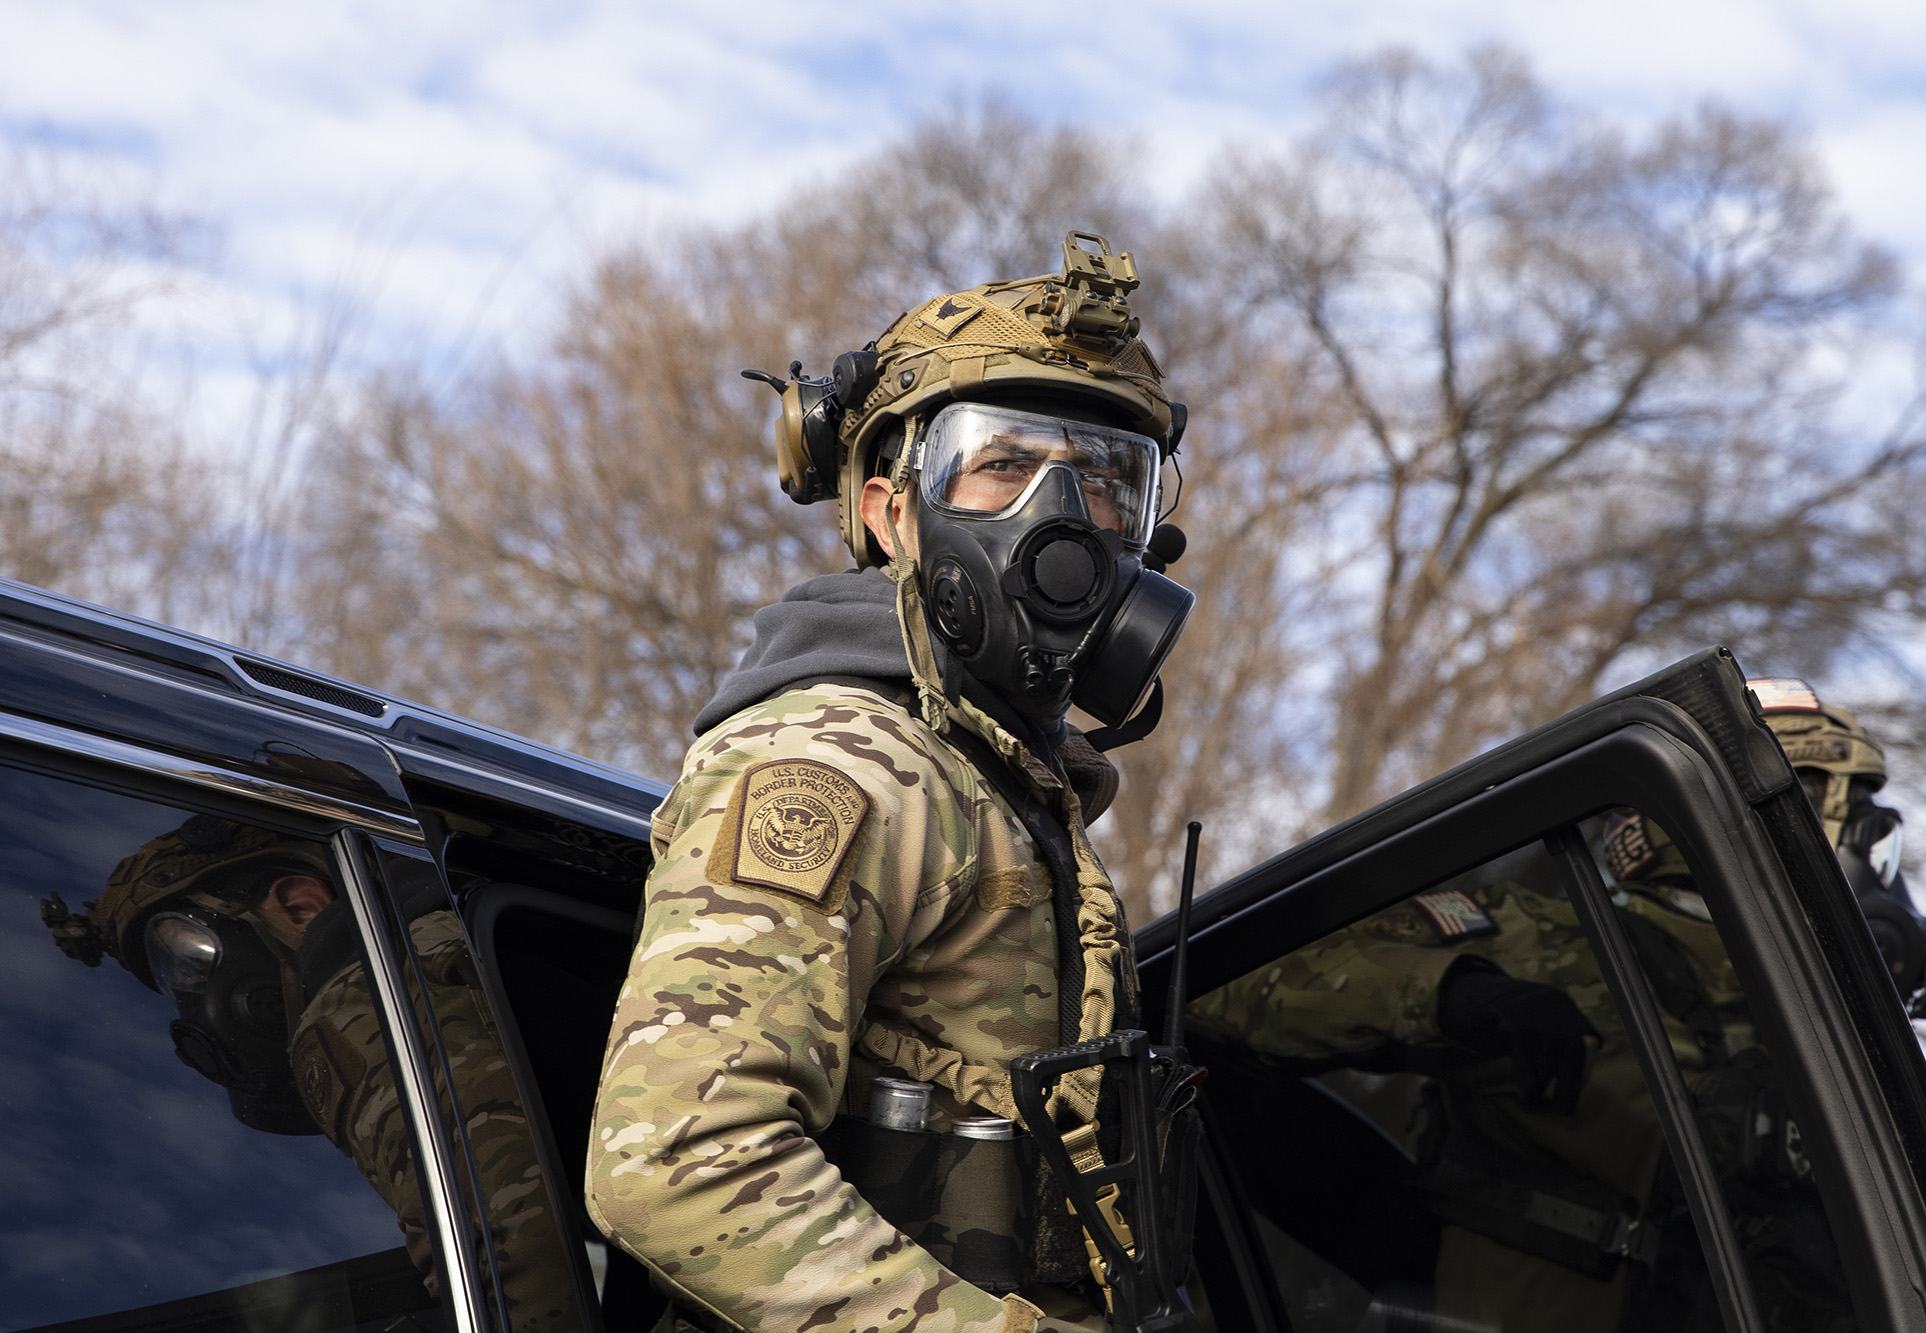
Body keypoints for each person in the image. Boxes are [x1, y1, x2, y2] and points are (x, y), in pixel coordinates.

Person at [585, 233, 1198, 1333]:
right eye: (1003, 464)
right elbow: (674, 1159)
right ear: (889, 513)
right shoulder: (836, 759)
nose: (1060, 517)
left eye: (1108, 480)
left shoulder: (996, 778)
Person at [1186, 677, 1926, 1332]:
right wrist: (1454, 995)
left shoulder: (1802, 1028)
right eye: (1861, 829)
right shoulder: (1554, 941)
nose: (1877, 871)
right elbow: (1226, 986)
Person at [43, 813, 579, 1331]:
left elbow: (523, 1255)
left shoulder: (375, 1000)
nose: (192, 999)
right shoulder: (481, 955)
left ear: (301, 908)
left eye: (189, 956)